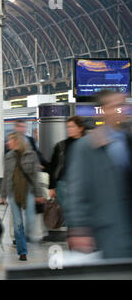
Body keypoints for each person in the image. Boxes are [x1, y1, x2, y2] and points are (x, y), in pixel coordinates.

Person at [65, 90, 132, 259]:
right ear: (104, 109)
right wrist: (79, 228)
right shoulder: (87, 146)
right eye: (116, 106)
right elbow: (77, 189)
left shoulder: (127, 140)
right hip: (106, 228)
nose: (122, 110)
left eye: (123, 105)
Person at [1, 132, 46, 261]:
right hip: (13, 192)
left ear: (17, 141)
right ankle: (22, 251)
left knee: (30, 220)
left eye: (10, 140)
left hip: (28, 191)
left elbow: (35, 176)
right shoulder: (8, 156)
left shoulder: (31, 155)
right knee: (18, 223)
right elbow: (6, 177)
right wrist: (3, 195)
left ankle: (26, 238)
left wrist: (39, 193)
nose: (7, 143)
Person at [48, 116, 86, 216]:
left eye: (72, 126)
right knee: (69, 215)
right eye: (68, 127)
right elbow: (52, 166)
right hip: (63, 185)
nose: (69, 129)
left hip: (83, 184)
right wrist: (51, 187)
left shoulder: (89, 145)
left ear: (80, 128)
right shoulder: (61, 146)